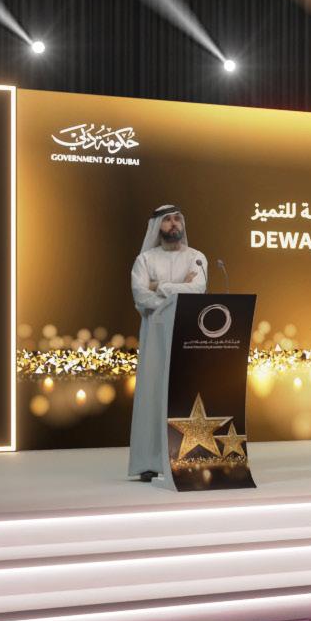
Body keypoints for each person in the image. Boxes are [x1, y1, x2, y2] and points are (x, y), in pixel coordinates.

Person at [128, 205, 207, 479]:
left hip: (187, 333)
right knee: (152, 394)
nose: (173, 224)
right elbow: (141, 296)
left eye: (177, 219)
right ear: (157, 227)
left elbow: (197, 290)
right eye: (167, 220)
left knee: (184, 394)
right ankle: (150, 463)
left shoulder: (197, 258)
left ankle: (186, 458)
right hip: (155, 335)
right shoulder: (145, 260)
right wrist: (178, 286)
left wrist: (159, 286)